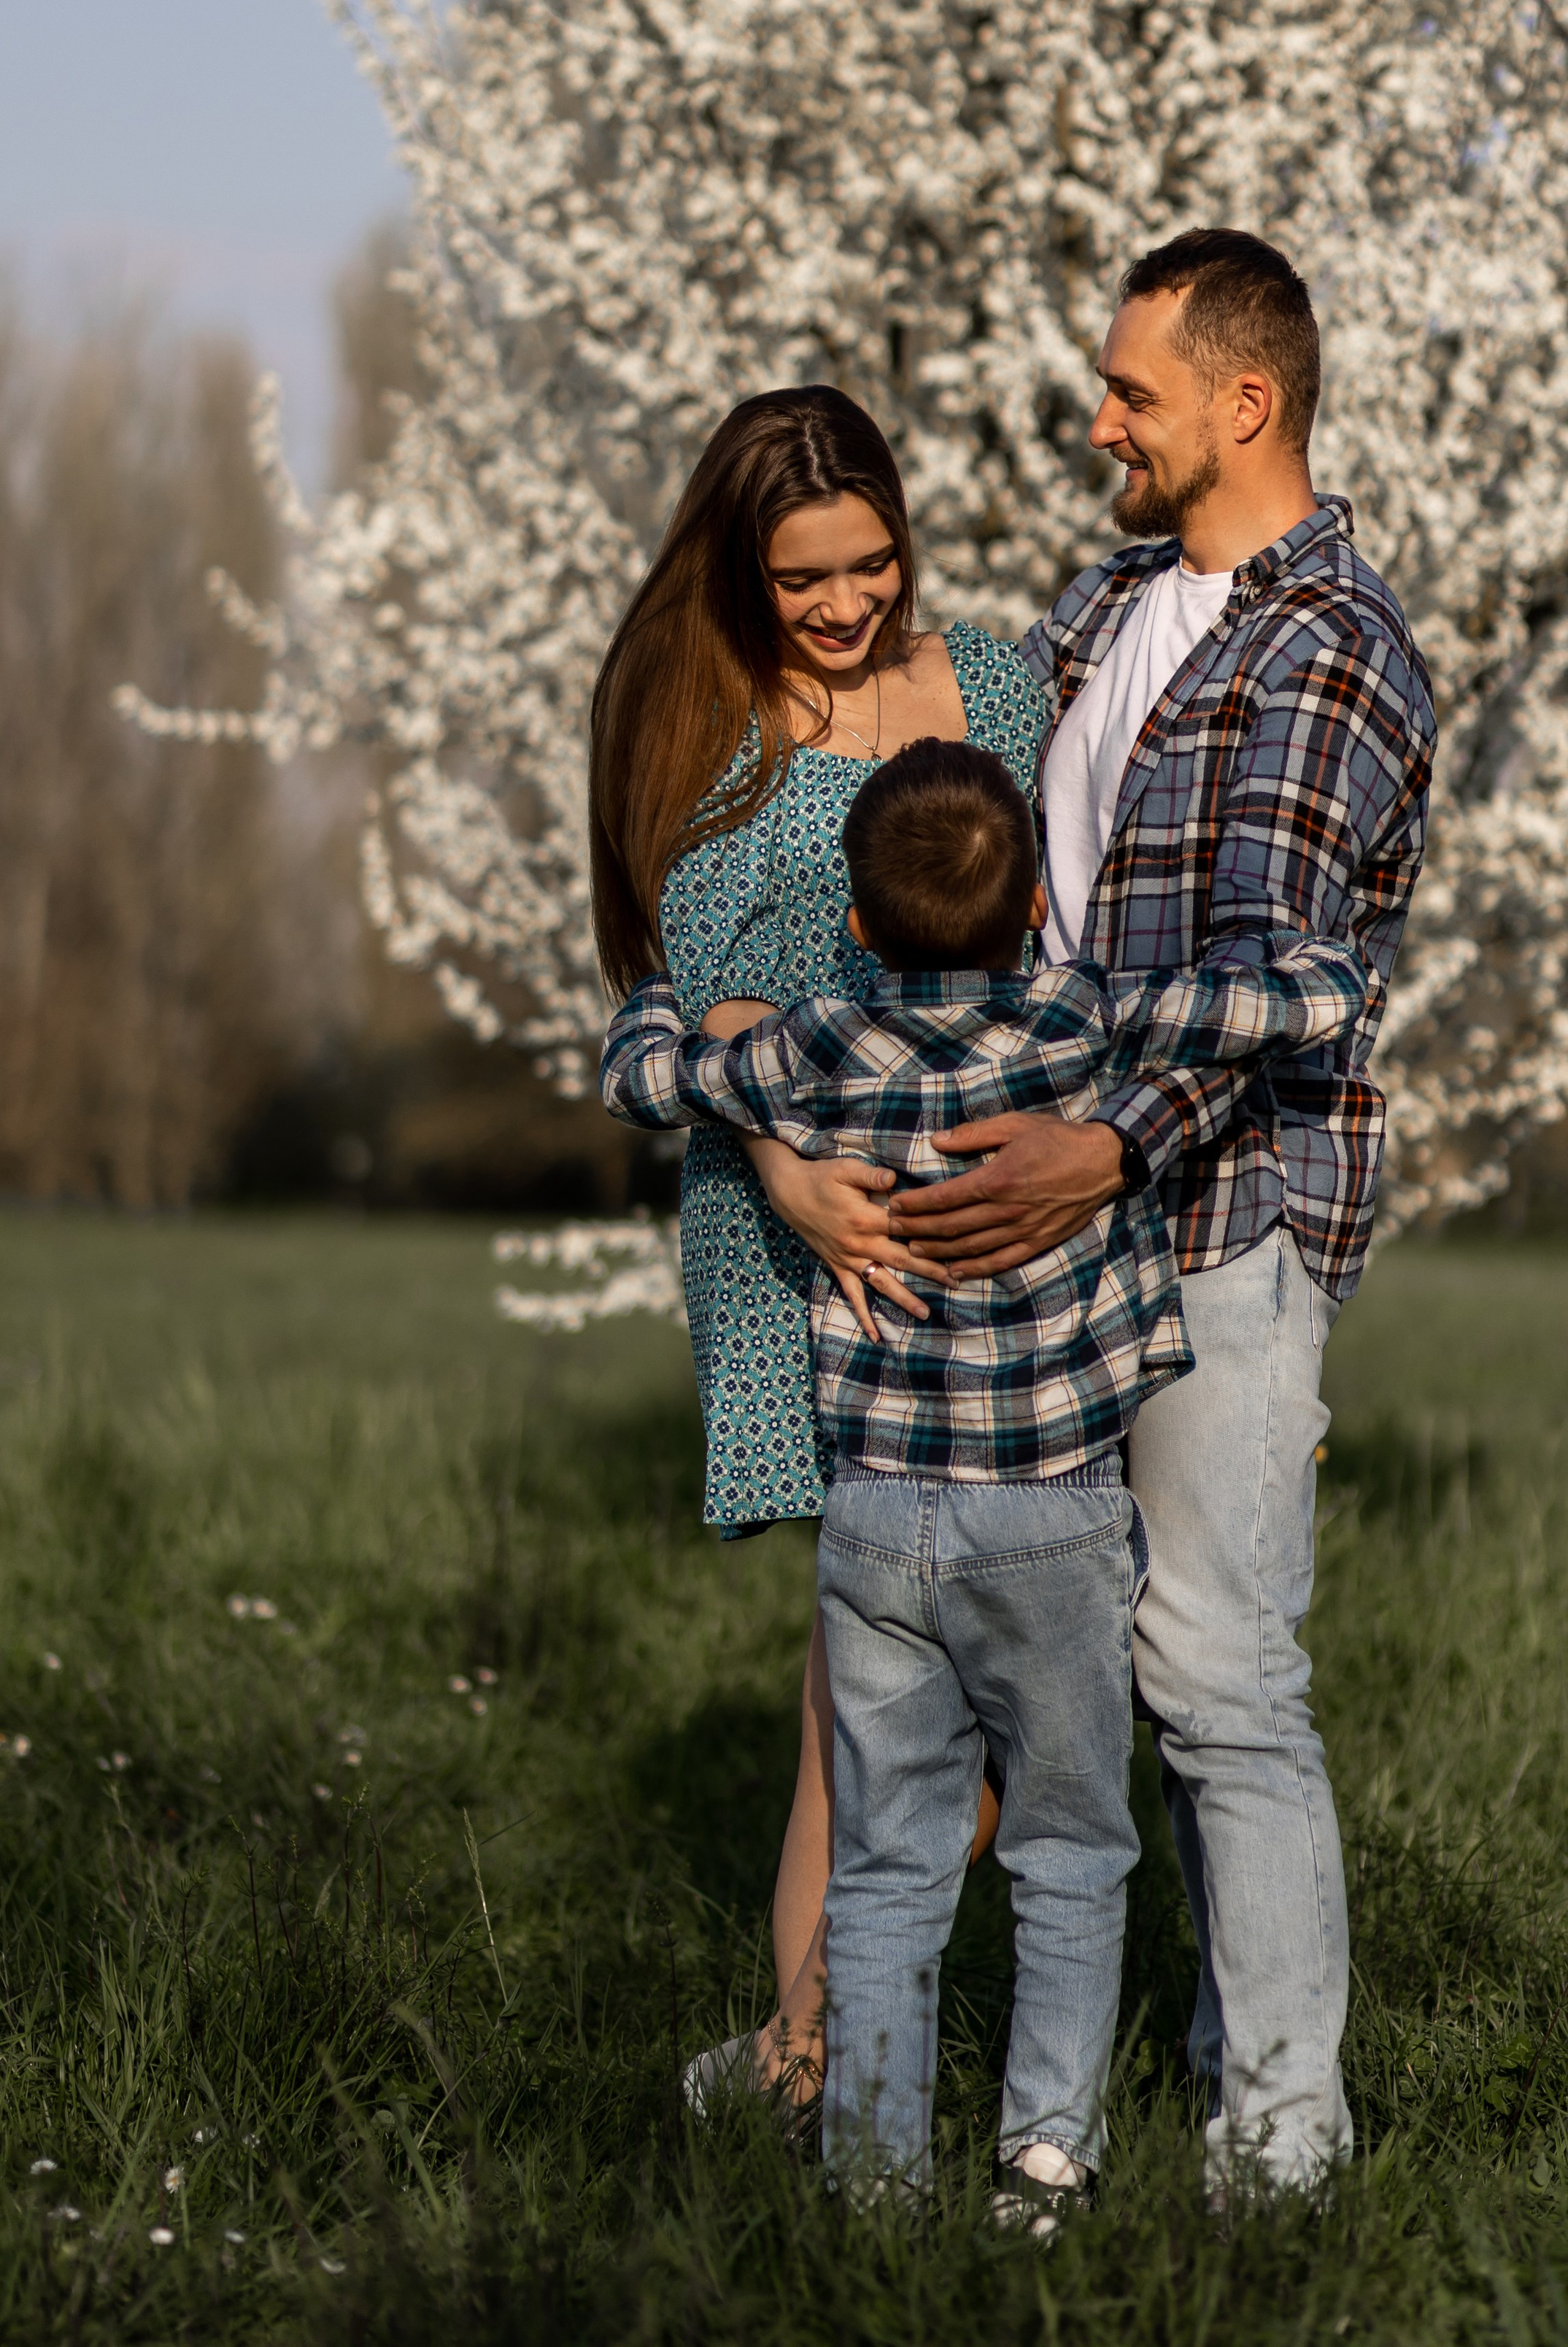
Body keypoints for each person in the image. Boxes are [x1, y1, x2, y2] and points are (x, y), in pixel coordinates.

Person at [600, 738, 1372, 2214]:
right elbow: (1301, 999)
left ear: (854, 924)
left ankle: (875, 2183)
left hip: (879, 1515)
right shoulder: (1078, 1021)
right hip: (1053, 1522)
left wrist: (660, 993)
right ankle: (1042, 2158)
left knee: (889, 1862)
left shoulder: (817, 1047)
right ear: (1033, 911)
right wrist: (1314, 971)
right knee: (1072, 1851)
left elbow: (645, 1073)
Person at [888, 231, 1438, 2196]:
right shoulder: (1107, 600)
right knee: (994, 1643)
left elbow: (1279, 962)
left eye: (1130, 389)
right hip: (1053, 1214)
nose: (1097, 417)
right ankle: (848, 2046)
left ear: (1245, 402)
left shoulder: (1333, 649)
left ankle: (1280, 2141)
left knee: (1214, 1669)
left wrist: (1105, 1145)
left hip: (1221, 1220)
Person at [587, 387, 1046, 2107]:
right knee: (855, 1682)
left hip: (995, 1210)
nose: (846, 604)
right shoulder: (717, 729)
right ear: (740, 570)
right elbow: (688, 997)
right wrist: (780, 1174)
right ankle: (814, 2059)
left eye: (870, 561)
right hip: (813, 1235)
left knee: (1036, 1637)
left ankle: (816, 2043)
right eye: (801, 579)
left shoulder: (996, 687)